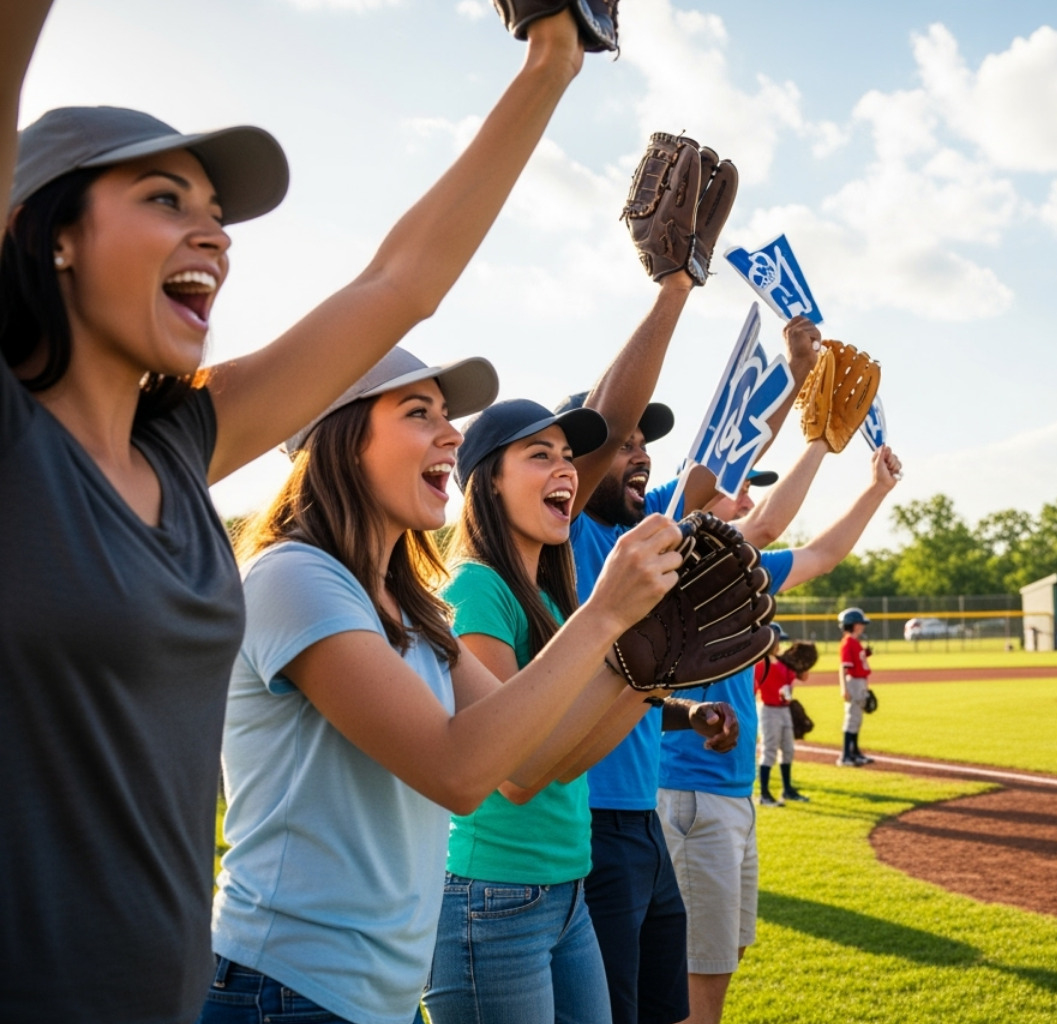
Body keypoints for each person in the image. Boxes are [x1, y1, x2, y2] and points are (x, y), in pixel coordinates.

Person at [1, 5, 587, 1017]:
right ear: (50, 235)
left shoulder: (179, 448)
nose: (214, 233)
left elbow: (402, 283)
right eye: (163, 196)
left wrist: (553, 59)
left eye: (216, 211)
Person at [206, 347, 685, 1024]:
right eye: (418, 412)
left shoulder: (408, 602)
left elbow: (523, 755)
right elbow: (462, 772)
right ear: (339, 440)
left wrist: (648, 657)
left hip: (374, 989)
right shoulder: (294, 577)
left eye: (446, 415)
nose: (452, 434)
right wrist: (605, 614)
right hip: (288, 985)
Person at [424, 398, 729, 1024]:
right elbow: (517, 773)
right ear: (488, 481)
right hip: (491, 898)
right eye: (540, 455)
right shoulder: (476, 584)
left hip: (566, 890)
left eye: (569, 457)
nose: (566, 469)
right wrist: (619, 636)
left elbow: (568, 760)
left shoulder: (550, 601)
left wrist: (656, 673)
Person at [557, 317, 813, 1024]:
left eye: (646, 445)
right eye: (623, 445)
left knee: (662, 1007)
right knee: (614, 1006)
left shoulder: (648, 528)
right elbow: (598, 440)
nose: (639, 456)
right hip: (589, 812)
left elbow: (722, 467)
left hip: (642, 812)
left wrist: (790, 379)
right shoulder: (570, 529)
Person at [657, 440, 902, 1024]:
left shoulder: (741, 570)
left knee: (725, 954)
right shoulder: (678, 559)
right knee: (701, 977)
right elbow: (765, 524)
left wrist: (876, 489)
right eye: (738, 485)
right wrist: (818, 442)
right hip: (692, 791)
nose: (749, 498)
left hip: (729, 793)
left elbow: (822, 554)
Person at [755, 626, 805, 805]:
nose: (780, 644)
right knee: (769, 751)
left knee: (788, 749)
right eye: (778, 641)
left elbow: (802, 677)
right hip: (768, 710)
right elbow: (753, 689)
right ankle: (764, 794)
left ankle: (787, 790)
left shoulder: (784, 662)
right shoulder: (760, 664)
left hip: (785, 710)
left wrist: (803, 663)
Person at [839, 608, 876, 765]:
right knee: (852, 719)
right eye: (860, 623)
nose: (863, 626)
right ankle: (846, 756)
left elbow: (857, 661)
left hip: (860, 682)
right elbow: (843, 667)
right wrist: (844, 688)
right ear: (852, 625)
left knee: (857, 719)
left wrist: (865, 653)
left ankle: (855, 752)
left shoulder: (855, 642)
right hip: (853, 682)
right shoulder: (848, 642)